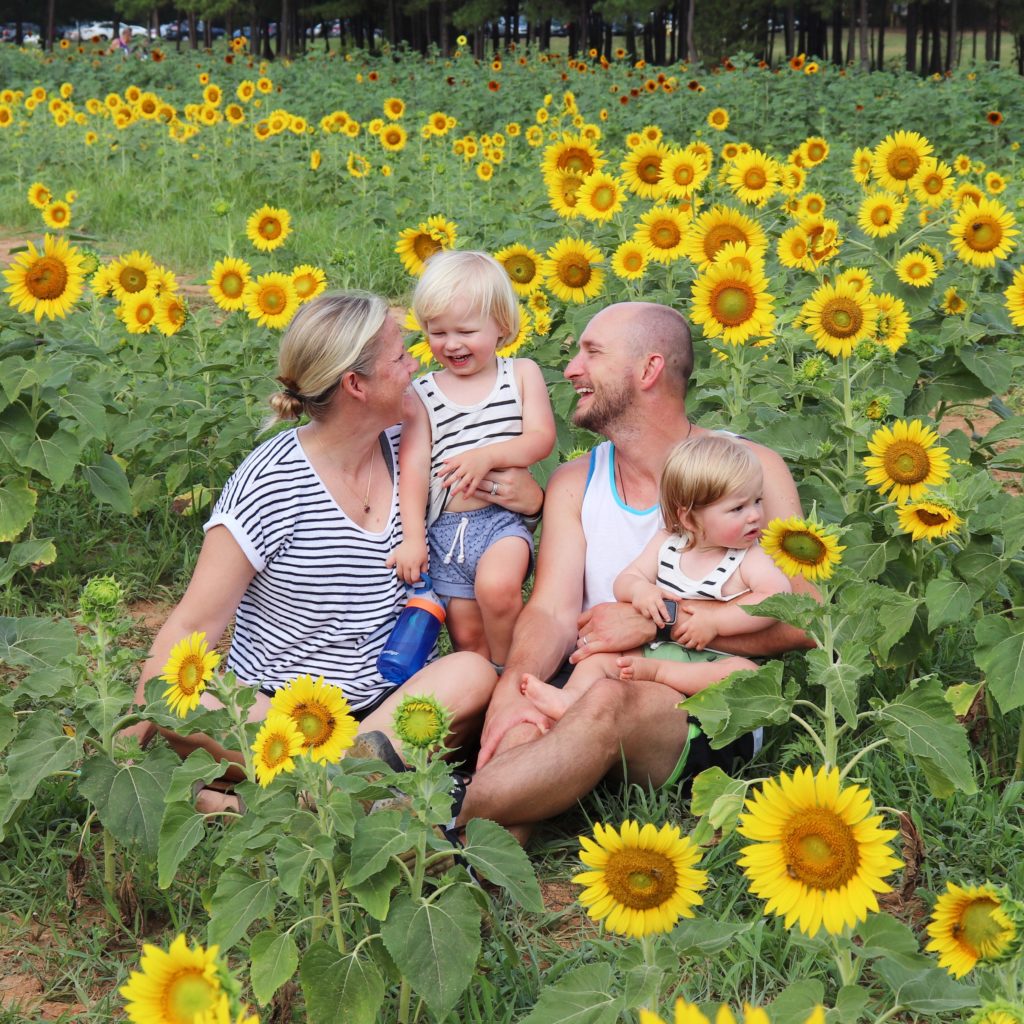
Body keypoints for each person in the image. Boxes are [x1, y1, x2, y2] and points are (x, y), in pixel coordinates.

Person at [126, 292, 544, 790]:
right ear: (355, 384)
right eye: (399, 356)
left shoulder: (414, 449)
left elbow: (487, 518)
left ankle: (310, 791)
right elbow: (193, 623)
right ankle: (360, 783)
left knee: (473, 673)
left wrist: (532, 499)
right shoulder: (271, 481)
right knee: (187, 695)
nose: (417, 363)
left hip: (387, 703)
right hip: (280, 711)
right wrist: (125, 750)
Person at [442, 300, 814, 840]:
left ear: (648, 370)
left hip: (702, 698)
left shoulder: (750, 471)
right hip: (597, 674)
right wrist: (513, 691)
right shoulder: (576, 481)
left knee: (605, 702)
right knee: (529, 723)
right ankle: (469, 868)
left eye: (591, 353)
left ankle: (437, 817)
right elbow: (550, 610)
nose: (570, 369)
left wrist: (662, 620)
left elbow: (805, 620)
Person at [520, 431, 791, 720]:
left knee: (744, 674)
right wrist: (641, 591)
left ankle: (660, 675)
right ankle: (570, 698)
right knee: (598, 660)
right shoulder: (668, 544)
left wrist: (716, 621)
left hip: (711, 661)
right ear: (688, 518)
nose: (754, 516)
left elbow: (776, 597)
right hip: (657, 649)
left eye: (757, 501)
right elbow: (626, 579)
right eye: (738, 508)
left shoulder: (750, 556)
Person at [388, 251, 556, 667]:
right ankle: (480, 698)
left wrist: (488, 456)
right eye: (437, 331)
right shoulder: (422, 393)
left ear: (501, 326)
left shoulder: (520, 374)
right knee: (465, 636)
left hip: (500, 521)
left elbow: (541, 439)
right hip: (445, 529)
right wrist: (413, 538)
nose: (451, 344)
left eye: (465, 330)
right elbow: (412, 469)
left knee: (498, 589)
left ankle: (512, 673)